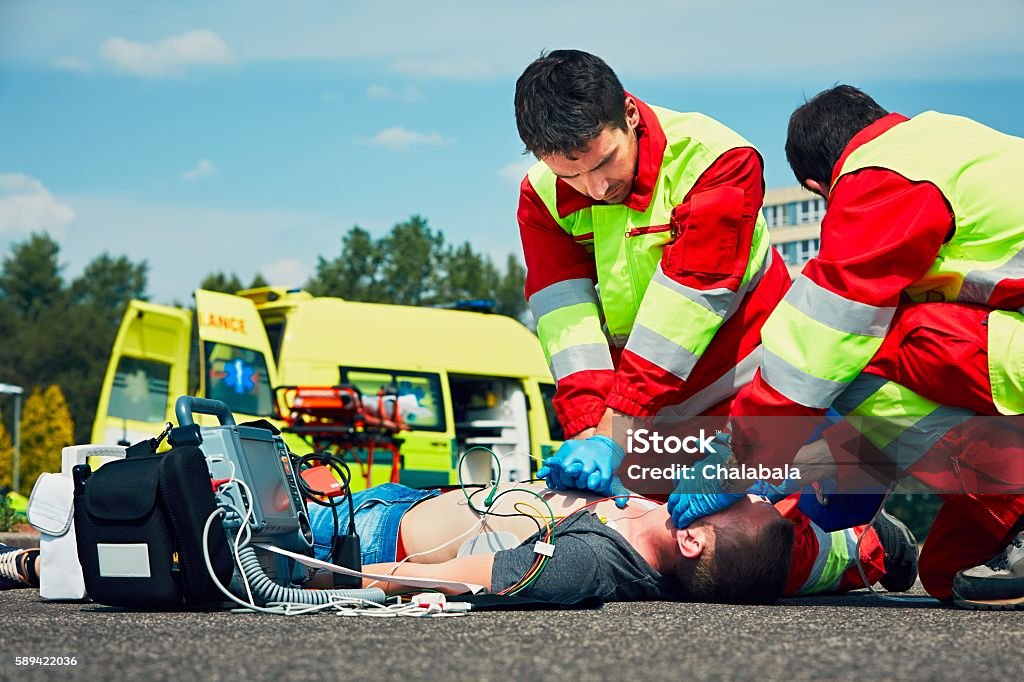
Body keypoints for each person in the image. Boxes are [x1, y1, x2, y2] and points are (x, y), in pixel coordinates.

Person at [668, 85, 1024, 608]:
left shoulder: (884, 173)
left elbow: (822, 339)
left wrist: (739, 459)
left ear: (819, 185)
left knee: (860, 351)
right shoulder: (953, 144)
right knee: (952, 573)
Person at [513, 49, 791, 502]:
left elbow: (688, 305)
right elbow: (568, 325)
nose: (596, 189)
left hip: (751, 384)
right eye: (572, 175)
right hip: (647, 401)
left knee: (752, 533)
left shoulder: (717, 162)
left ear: (629, 113)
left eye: (604, 162)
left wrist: (616, 425)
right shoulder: (541, 195)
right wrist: (588, 431)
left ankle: (876, 544)